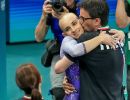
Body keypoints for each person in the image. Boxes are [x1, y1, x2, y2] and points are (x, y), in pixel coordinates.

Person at [56, 0, 125, 100]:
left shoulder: (85, 40)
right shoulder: (117, 37)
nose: (80, 22)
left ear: (96, 21)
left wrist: (69, 79)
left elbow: (59, 68)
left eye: (83, 18)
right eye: (79, 17)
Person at [35, 0, 80, 99]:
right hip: (61, 53)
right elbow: (38, 37)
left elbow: (87, 33)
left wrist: (67, 18)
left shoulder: (82, 6)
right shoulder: (55, 7)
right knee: (59, 92)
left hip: (82, 50)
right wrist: (44, 16)